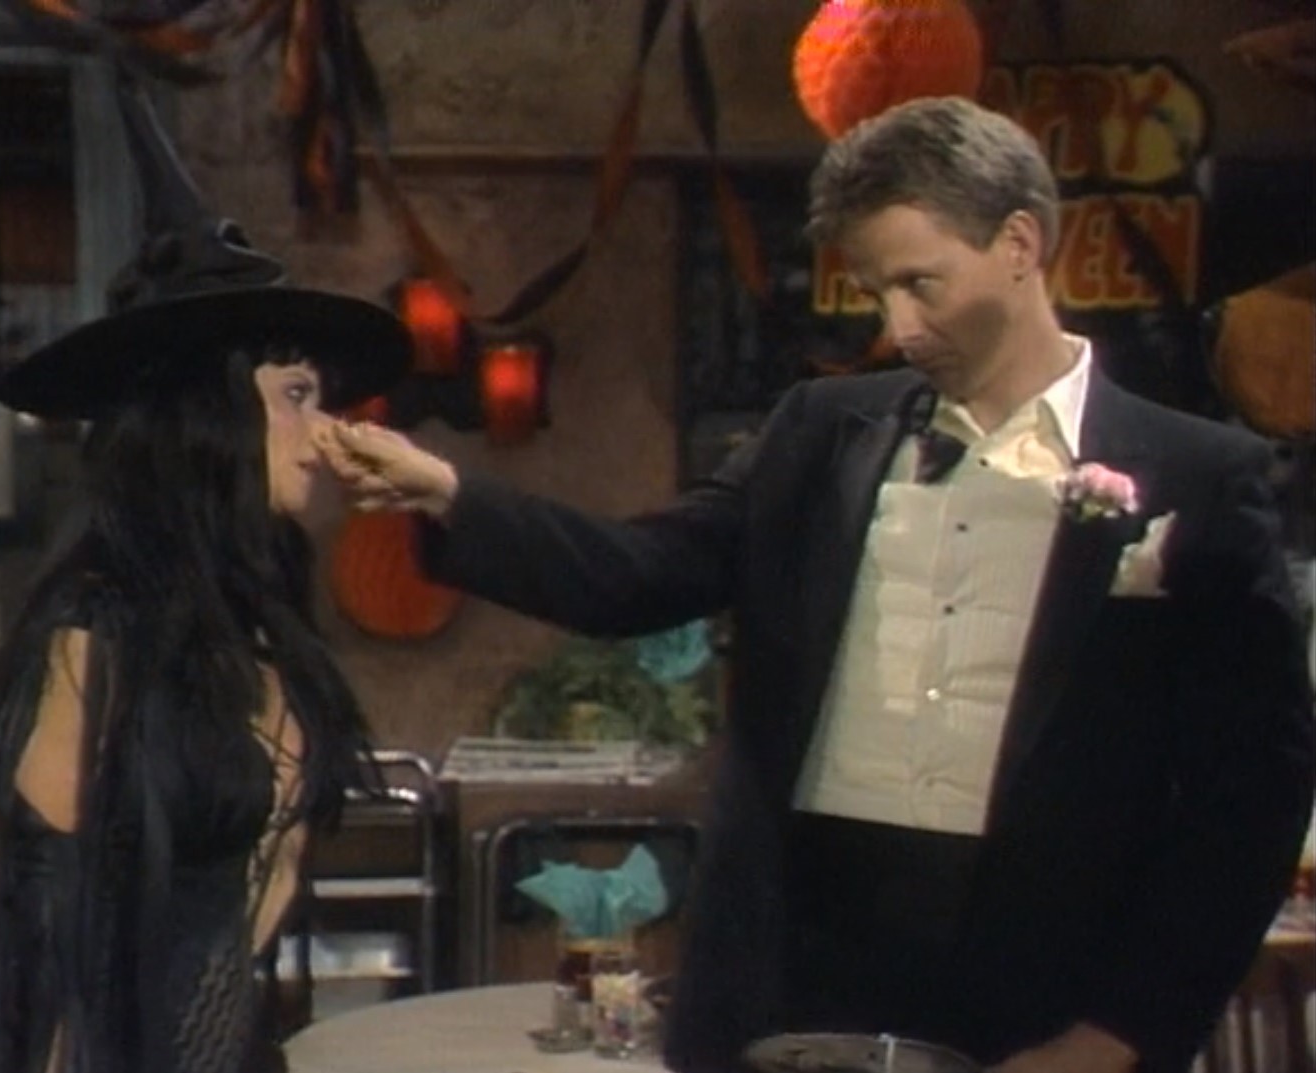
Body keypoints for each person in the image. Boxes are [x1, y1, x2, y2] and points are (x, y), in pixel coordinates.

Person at [318, 96, 1315, 1073]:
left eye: (920, 284)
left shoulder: (1195, 476)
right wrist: (448, 494)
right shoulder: (820, 432)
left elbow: (1249, 797)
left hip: (1038, 991)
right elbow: (637, 574)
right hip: (794, 975)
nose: (899, 326)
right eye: (877, 291)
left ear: (1018, 244)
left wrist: (1119, 1031)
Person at [0, 74, 411, 1073]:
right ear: (211, 414)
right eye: (296, 394)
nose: (324, 430)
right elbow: (47, 959)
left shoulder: (256, 618)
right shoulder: (92, 634)